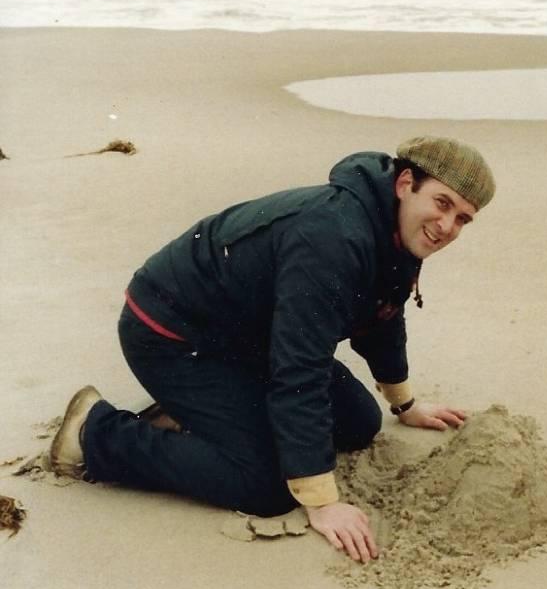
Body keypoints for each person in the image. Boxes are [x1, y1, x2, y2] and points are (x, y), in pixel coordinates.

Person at [48, 136, 495, 563]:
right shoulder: (335, 239)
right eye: (442, 203)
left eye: (462, 218)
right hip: (170, 333)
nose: (446, 227)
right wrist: (322, 502)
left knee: (359, 420)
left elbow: (382, 314)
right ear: (404, 184)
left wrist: (406, 402)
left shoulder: (394, 230)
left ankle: (196, 410)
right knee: (268, 487)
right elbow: (299, 372)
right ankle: (95, 434)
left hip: (243, 333)